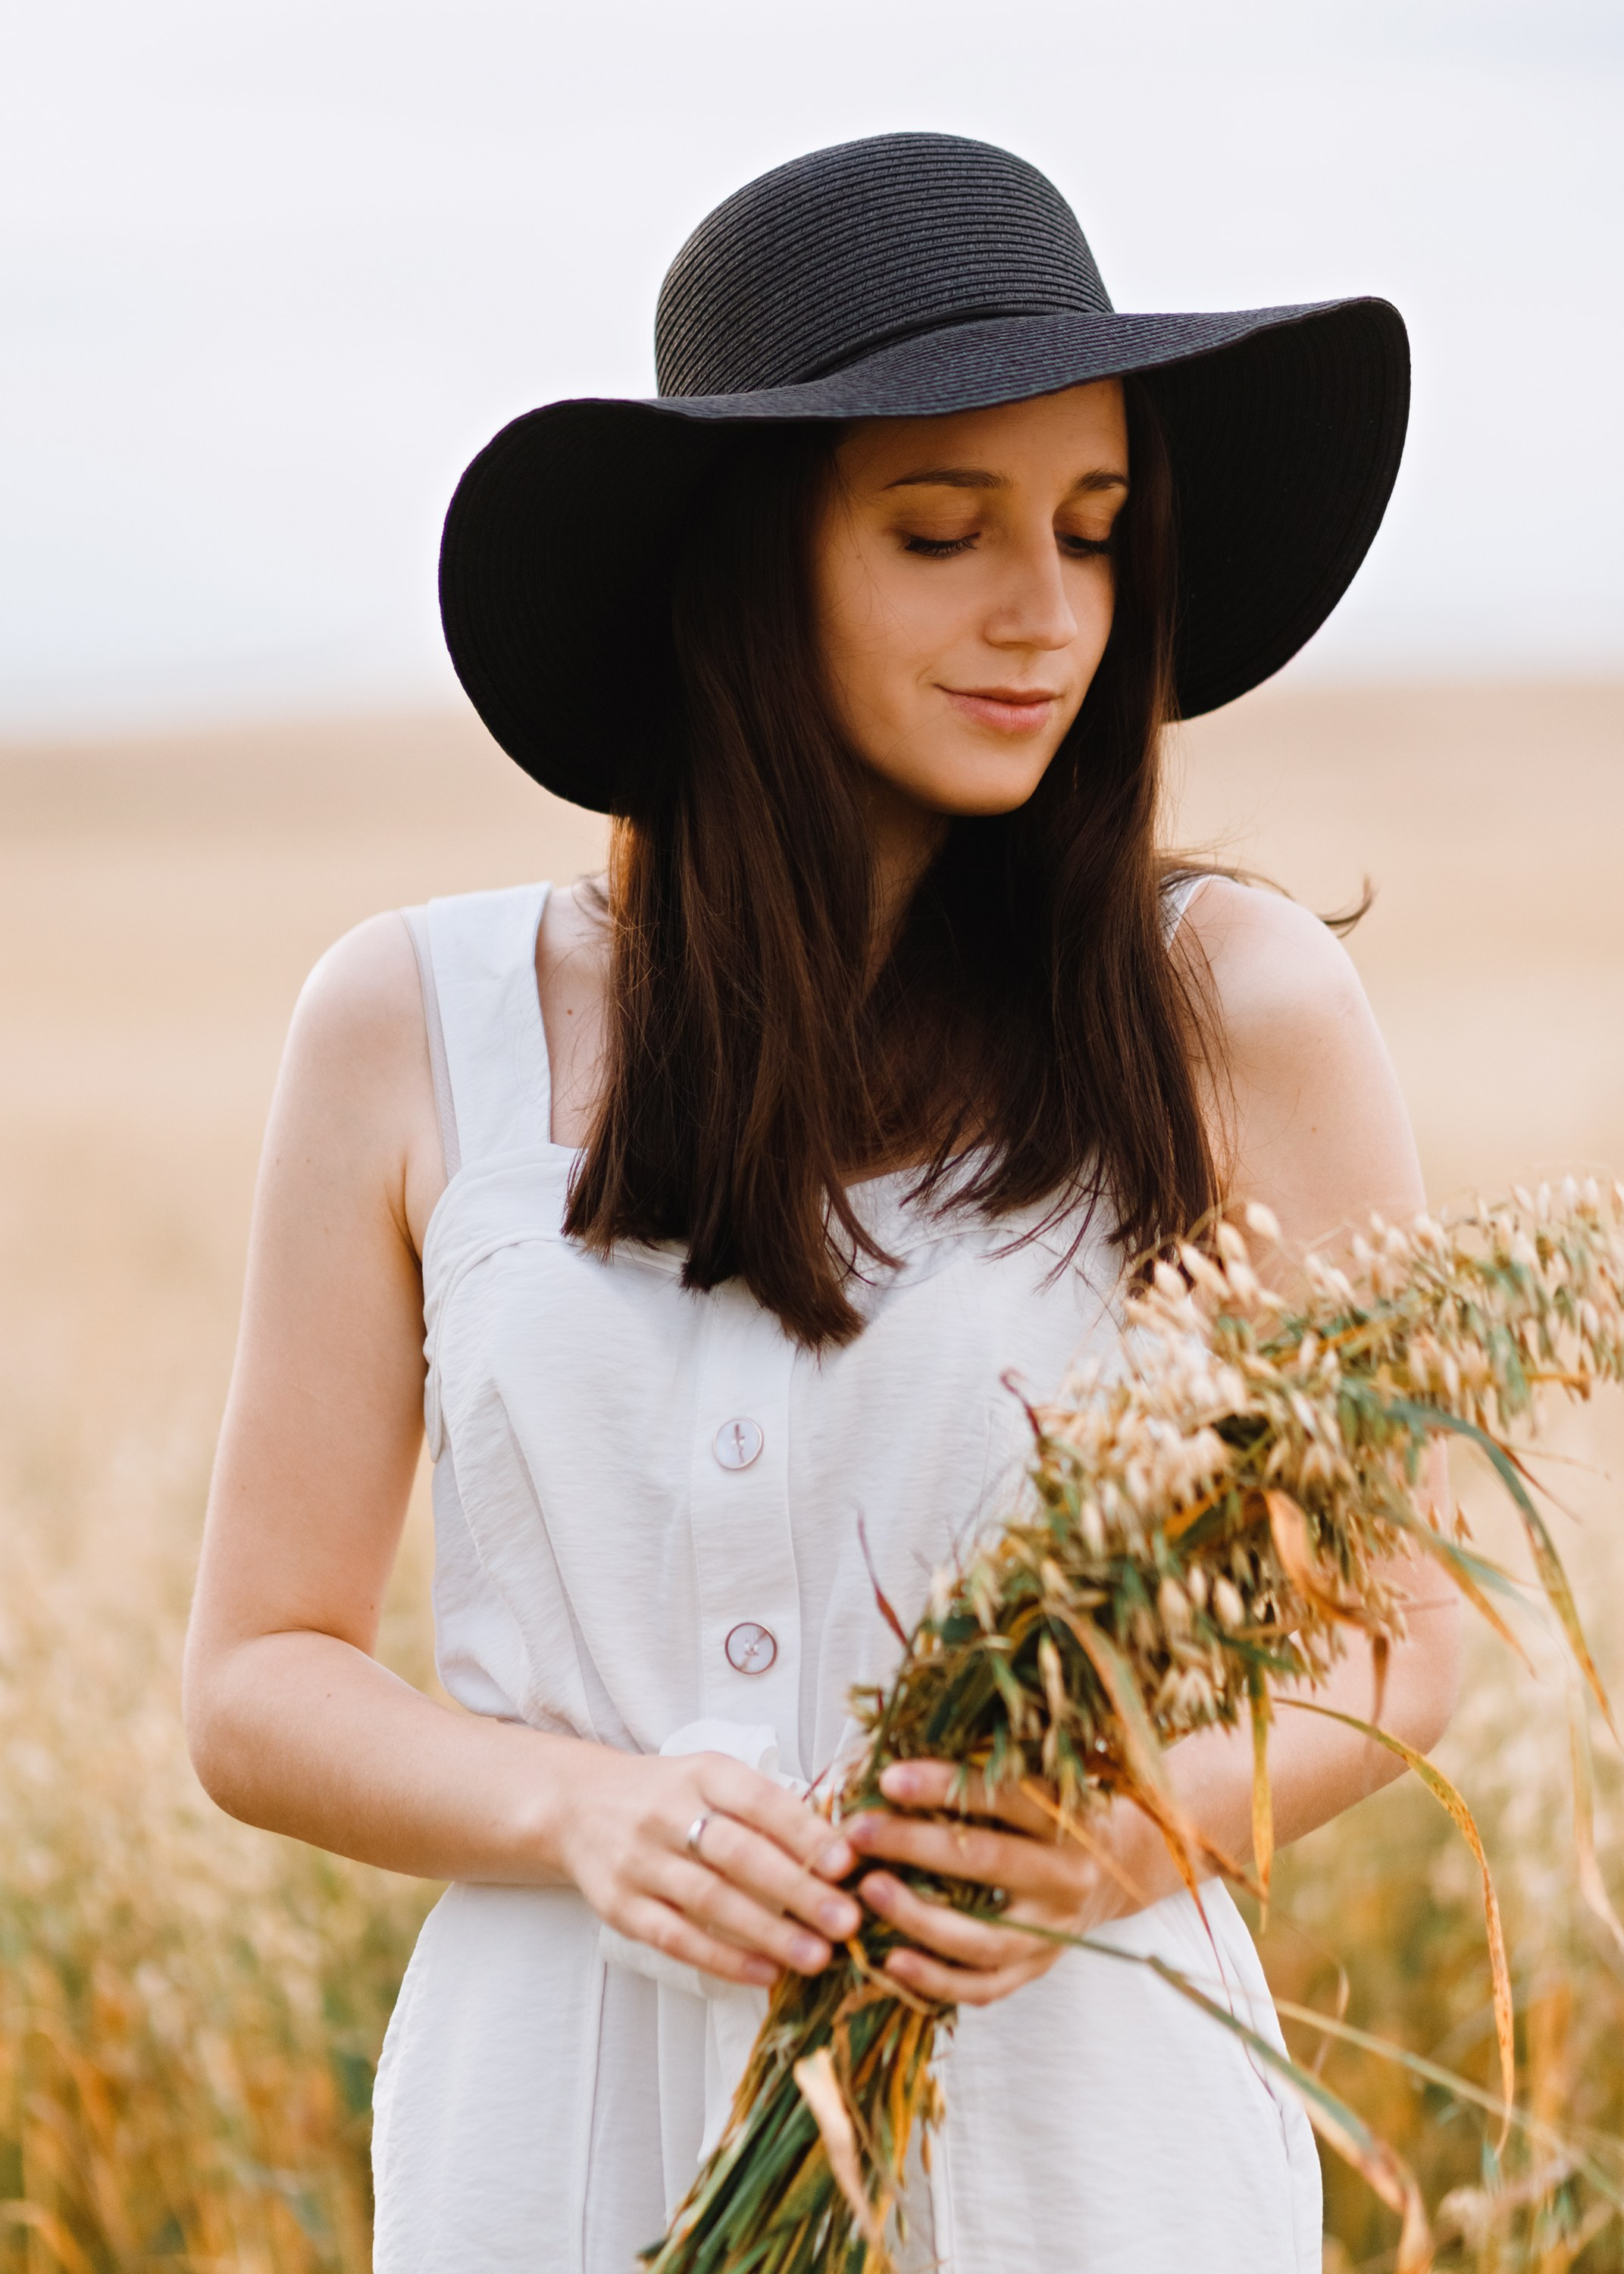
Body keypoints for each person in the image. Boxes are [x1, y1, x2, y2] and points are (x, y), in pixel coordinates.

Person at [184, 132, 1460, 2273]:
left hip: (1080, 2142)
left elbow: (1398, 1642)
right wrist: (581, 1810)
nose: (1046, 614)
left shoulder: (1234, 1007)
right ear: (747, 565)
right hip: (555, 2151)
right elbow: (255, 1679)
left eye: (1094, 527)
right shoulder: (412, 1026)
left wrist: (1126, 1840)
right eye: (941, 531)